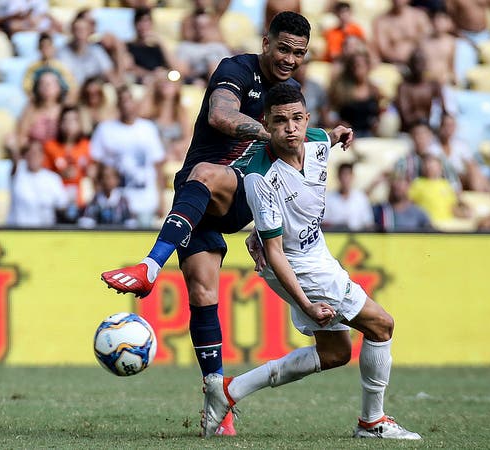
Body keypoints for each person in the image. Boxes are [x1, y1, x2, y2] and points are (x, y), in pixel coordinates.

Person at [101, 12, 312, 436]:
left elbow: (287, 165)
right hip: (199, 203)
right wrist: (269, 136)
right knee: (202, 291)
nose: (289, 59)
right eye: (284, 48)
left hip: (234, 194)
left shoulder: (291, 96)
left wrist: (267, 225)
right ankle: (218, 403)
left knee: (203, 174)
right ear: (266, 42)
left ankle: (149, 266)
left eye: (299, 53)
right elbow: (220, 115)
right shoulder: (236, 68)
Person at [201, 82, 422, 440]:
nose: (290, 128)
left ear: (307, 118)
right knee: (381, 326)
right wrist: (306, 302)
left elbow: (328, 136)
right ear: (266, 125)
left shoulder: (317, 140)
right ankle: (373, 422)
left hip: (316, 252)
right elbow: (274, 253)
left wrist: (341, 134)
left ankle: (228, 391)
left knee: (335, 353)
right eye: (280, 121)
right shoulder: (261, 178)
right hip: (296, 264)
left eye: (297, 119)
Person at [90, 85, 166, 227]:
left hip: (145, 200)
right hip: (116, 202)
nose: (126, 104)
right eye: (122, 100)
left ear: (136, 103)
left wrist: (161, 199)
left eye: (129, 99)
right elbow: (96, 167)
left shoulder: (148, 128)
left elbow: (158, 166)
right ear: (117, 104)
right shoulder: (105, 129)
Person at [43, 105, 93, 214]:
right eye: (65, 120)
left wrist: (89, 172)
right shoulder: (50, 147)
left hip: (82, 198)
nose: (69, 124)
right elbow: (43, 175)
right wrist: (59, 174)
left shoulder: (87, 146)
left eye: (74, 120)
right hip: (57, 196)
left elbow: (93, 171)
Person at [7, 139, 68, 227]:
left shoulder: (53, 178)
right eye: (30, 152)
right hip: (19, 232)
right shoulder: (18, 172)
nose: (33, 156)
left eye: (36, 152)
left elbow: (62, 204)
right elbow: (15, 158)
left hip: (44, 232)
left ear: (43, 156)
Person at [140, 71, 193, 163]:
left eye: (171, 82)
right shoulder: (152, 106)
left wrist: (177, 147)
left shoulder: (181, 110)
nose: (166, 83)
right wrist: (151, 87)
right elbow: (139, 118)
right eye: (163, 82)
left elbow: (188, 137)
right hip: (153, 154)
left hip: (174, 155)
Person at [329, 52, 381, 137]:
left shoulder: (374, 90)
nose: (356, 69)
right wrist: (340, 124)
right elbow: (332, 113)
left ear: (367, 67)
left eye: (360, 65)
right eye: (353, 66)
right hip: (347, 134)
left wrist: (377, 123)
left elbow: (378, 112)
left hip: (369, 133)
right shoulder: (341, 89)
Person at [57, 15, 119, 86]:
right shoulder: (62, 53)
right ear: (72, 32)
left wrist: (119, 49)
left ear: (89, 32)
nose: (79, 34)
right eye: (77, 30)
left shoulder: (97, 51)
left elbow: (111, 77)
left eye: (83, 30)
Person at [126, 7, 183, 84]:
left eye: (146, 21)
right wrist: (151, 75)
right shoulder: (129, 46)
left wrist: (161, 43)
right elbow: (130, 68)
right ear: (134, 24)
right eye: (140, 22)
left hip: (161, 82)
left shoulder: (159, 47)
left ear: (152, 24)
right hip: (141, 81)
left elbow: (177, 69)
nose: (143, 26)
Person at [408, 154, 470, 222]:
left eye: (432, 165)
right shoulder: (418, 183)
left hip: (448, 223)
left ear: (440, 167)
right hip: (428, 225)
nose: (429, 167)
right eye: (427, 165)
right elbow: (408, 203)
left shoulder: (446, 184)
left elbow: (453, 206)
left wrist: (463, 212)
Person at [16, 68, 66, 151]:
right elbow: (21, 138)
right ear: (37, 88)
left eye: (51, 84)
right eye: (43, 84)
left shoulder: (65, 109)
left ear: (59, 87)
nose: (47, 87)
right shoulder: (30, 109)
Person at [396, 49, 446, 132]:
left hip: (433, 128)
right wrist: (421, 121)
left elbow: (441, 109)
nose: (418, 66)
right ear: (410, 64)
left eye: (421, 61)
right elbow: (406, 116)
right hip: (411, 130)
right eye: (416, 62)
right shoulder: (404, 87)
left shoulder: (434, 85)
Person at [176, 10, 231, 85]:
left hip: (218, 82)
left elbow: (229, 70)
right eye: (197, 26)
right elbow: (181, 71)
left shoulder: (220, 47)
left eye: (204, 26)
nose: (200, 30)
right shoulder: (185, 47)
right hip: (195, 82)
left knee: (213, 58)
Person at [371, 0, 431, 65]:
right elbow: (383, 50)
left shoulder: (419, 16)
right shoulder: (381, 21)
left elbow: (428, 40)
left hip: (420, 62)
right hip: (395, 64)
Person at [22, 32, 76, 104]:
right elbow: (28, 88)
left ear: (53, 48)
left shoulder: (61, 67)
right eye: (43, 46)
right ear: (39, 48)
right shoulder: (32, 68)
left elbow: (71, 87)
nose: (45, 50)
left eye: (48, 46)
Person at [78, 164, 135, 228]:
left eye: (111, 178)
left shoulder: (123, 200)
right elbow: (88, 220)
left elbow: (130, 223)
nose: (107, 181)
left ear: (117, 180)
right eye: (104, 178)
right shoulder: (95, 199)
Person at [323, 163, 374, 231]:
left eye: (348, 175)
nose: (345, 179)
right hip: (335, 237)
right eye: (343, 175)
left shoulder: (361, 198)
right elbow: (324, 222)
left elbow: (368, 223)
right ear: (338, 177)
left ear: (353, 177)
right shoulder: (328, 198)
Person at [419, 9, 457, 86]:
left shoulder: (451, 42)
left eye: (441, 21)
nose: (438, 23)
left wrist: (454, 79)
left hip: (443, 80)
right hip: (426, 79)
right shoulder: (423, 41)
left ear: (448, 23)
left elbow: (452, 65)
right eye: (436, 20)